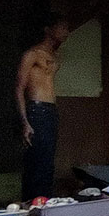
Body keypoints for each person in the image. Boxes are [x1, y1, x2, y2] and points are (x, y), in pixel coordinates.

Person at [16, 14, 71, 200]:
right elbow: (19, 88)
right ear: (48, 30)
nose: (66, 32)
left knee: (48, 160)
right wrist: (25, 121)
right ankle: (32, 202)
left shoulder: (55, 57)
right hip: (36, 110)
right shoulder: (32, 55)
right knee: (36, 159)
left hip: (50, 111)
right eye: (62, 28)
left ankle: (44, 202)